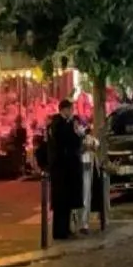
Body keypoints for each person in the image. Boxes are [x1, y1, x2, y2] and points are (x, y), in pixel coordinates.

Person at [47, 99, 84, 240]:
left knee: (67, 200)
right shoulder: (57, 124)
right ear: (64, 110)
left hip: (68, 168)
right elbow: (63, 141)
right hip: (60, 168)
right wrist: (74, 132)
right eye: (70, 109)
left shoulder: (67, 123)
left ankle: (66, 228)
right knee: (60, 201)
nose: (72, 112)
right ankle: (59, 231)